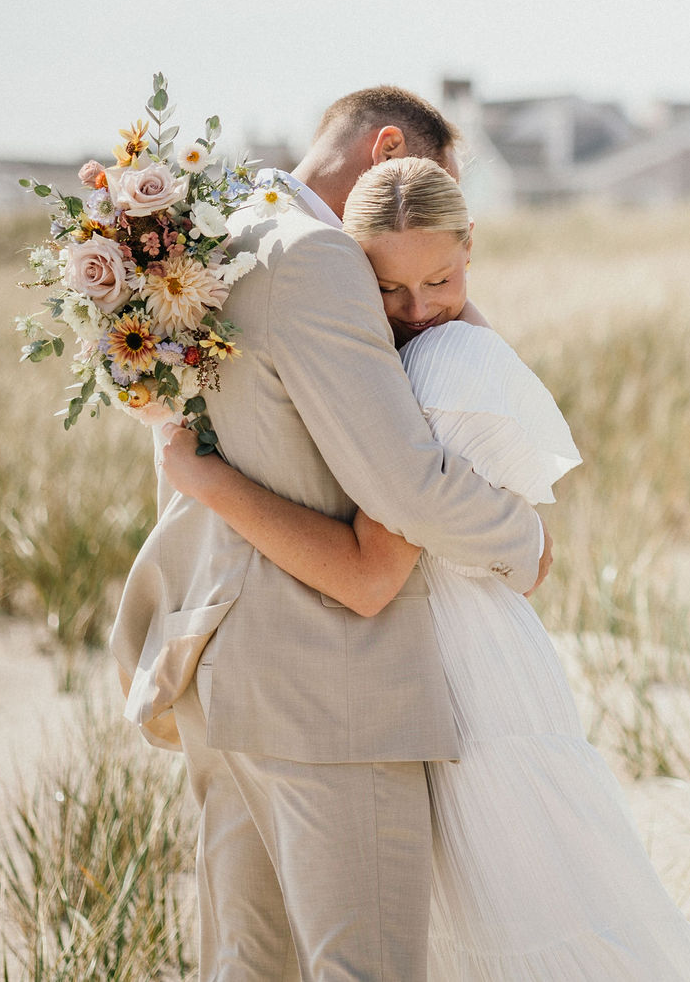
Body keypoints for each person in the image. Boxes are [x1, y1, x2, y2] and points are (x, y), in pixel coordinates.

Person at [158, 156, 690, 980]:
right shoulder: (398, 352)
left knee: (538, 916)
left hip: (474, 680)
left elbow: (369, 572)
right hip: (440, 666)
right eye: (390, 290)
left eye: (441, 278)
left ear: (473, 246)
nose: (419, 309)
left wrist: (206, 479)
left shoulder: (438, 371)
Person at [110, 87, 551, 981]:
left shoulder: (213, 226)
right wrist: (526, 540)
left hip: (230, 671)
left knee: (250, 966)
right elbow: (404, 484)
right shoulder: (317, 258)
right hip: (332, 691)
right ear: (389, 148)